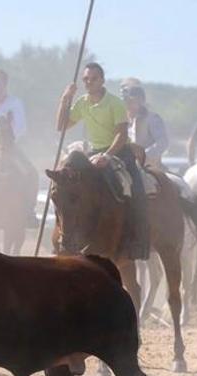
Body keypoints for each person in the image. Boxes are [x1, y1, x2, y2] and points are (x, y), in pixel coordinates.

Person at [56, 62, 149, 259]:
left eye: (93, 79)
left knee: (136, 189)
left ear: (102, 80)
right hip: (94, 152)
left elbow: (121, 135)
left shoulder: (115, 103)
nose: (89, 83)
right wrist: (65, 99)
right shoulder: (82, 102)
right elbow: (62, 126)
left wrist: (107, 156)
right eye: (86, 80)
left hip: (119, 151)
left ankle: (139, 240)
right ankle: (69, 234)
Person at [122, 85, 169, 169]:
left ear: (142, 101)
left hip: (149, 167)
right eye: (127, 101)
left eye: (133, 101)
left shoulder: (152, 118)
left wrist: (143, 155)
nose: (129, 105)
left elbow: (162, 142)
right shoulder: (122, 121)